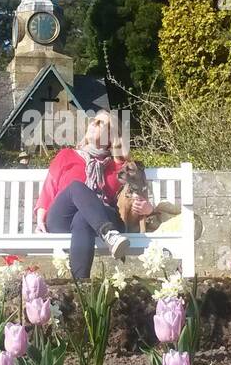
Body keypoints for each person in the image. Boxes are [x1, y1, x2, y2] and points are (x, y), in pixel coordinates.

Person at [35, 110, 152, 280]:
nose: (92, 124)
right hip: (62, 219)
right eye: (92, 121)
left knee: (83, 217)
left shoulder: (121, 167)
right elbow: (48, 191)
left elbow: (138, 200)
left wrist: (147, 208)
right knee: (76, 187)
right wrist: (39, 221)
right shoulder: (66, 155)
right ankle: (109, 234)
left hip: (102, 218)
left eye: (100, 123)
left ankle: (81, 288)